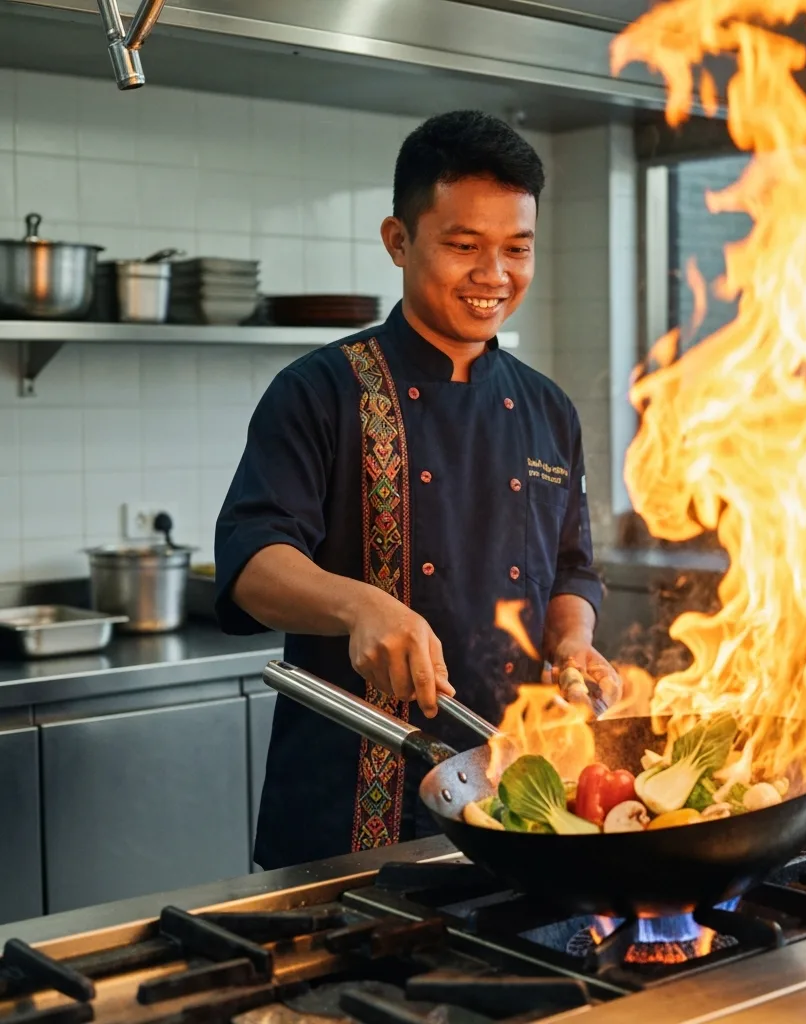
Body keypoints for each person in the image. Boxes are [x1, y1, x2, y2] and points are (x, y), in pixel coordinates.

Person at [215, 110, 618, 870]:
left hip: (518, 797)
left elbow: (570, 567)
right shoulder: (321, 391)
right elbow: (251, 560)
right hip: (352, 803)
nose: (494, 274)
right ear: (399, 242)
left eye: (516, 249)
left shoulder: (546, 408)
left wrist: (574, 644)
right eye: (464, 246)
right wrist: (360, 603)